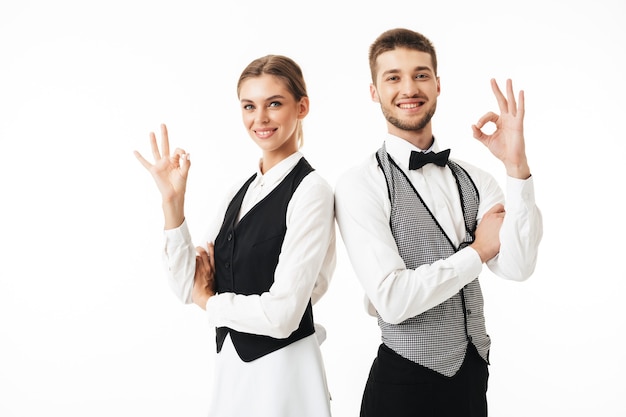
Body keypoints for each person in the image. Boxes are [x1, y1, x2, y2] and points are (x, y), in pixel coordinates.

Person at [334, 28, 543, 416]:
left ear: (438, 84)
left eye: (420, 74)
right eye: (393, 77)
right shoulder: (360, 184)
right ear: (374, 91)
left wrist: (517, 167)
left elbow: (518, 267)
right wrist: (478, 252)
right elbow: (393, 300)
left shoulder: (477, 178)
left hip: (472, 380)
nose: (408, 88)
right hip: (402, 385)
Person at [134, 55, 336, 417]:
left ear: (302, 107)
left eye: (274, 103)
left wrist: (210, 303)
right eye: (249, 106)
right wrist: (172, 204)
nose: (260, 118)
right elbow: (184, 286)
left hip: (286, 375)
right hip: (232, 372)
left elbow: (283, 315)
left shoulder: (311, 191)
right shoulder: (238, 193)